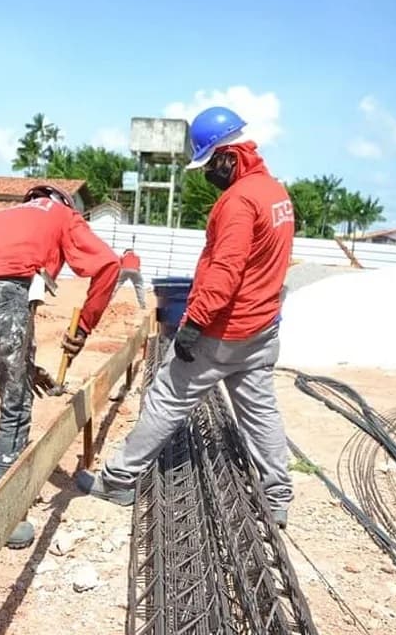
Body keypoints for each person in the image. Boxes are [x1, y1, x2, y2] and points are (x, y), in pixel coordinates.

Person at [76, 106, 298, 528]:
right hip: (263, 327)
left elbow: (226, 269)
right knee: (260, 410)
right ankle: (277, 497)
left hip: (225, 330)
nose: (208, 175)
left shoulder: (238, 201)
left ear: (228, 156)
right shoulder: (276, 194)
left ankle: (119, 480)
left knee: (167, 398)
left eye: (210, 164)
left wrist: (194, 322)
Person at [0, 183, 120, 548]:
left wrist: (27, 365)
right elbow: (109, 264)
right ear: (66, 205)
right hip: (2, 291)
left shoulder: (0, 217)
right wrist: (84, 326)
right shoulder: (63, 216)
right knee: (16, 403)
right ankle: (2, 511)